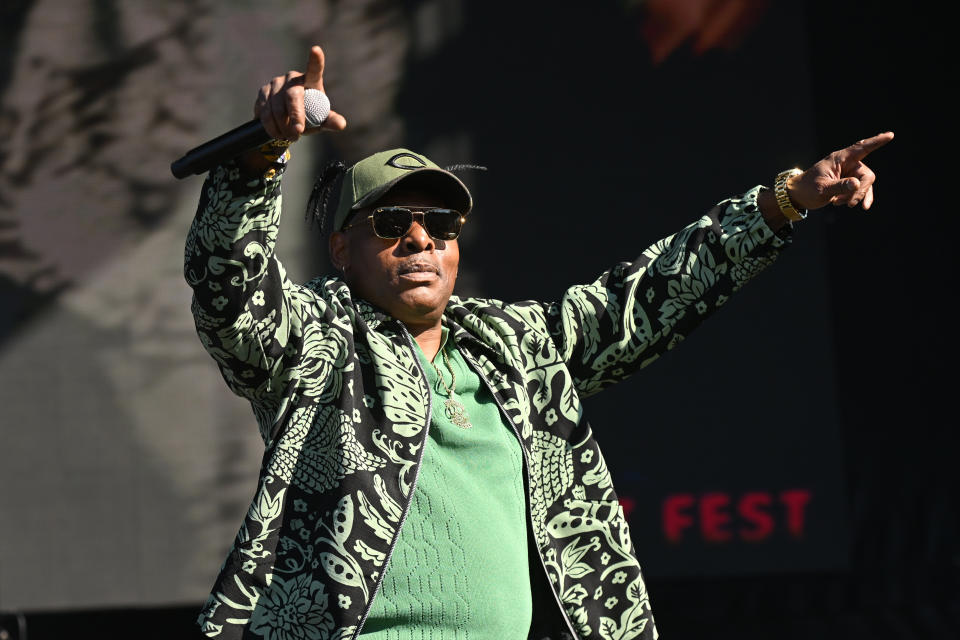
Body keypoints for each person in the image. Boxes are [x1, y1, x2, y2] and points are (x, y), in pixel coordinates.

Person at [184, 45, 892, 640]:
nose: (421, 237)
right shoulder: (313, 341)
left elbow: (647, 298)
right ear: (341, 248)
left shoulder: (516, 346)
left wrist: (785, 202)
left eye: (441, 224)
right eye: (392, 221)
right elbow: (230, 291)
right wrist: (259, 159)